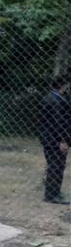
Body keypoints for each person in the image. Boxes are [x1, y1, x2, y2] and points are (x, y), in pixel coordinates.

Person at [38, 74, 70, 205]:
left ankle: (53, 192)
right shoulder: (58, 101)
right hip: (56, 139)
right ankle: (52, 194)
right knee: (57, 166)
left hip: (47, 137)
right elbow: (59, 122)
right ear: (64, 85)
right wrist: (63, 140)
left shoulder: (47, 98)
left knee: (53, 165)